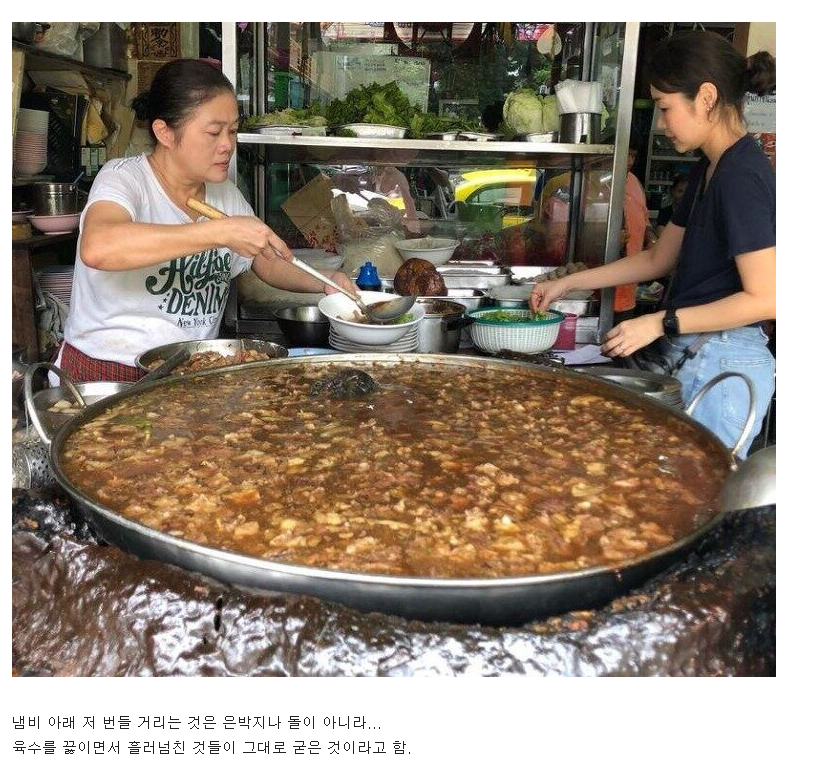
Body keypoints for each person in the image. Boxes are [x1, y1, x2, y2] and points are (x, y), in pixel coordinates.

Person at [530, 32, 776, 458]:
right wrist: (569, 284)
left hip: (724, 365)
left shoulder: (741, 177)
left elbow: (769, 299)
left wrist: (659, 322)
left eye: (666, 108)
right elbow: (659, 258)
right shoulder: (709, 168)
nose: (661, 125)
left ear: (707, 97)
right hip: (700, 353)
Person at [58, 58, 356, 383]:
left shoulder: (223, 194)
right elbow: (99, 247)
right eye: (213, 132)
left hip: (189, 370)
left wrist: (325, 281)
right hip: (109, 373)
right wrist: (219, 232)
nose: (227, 145)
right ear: (165, 133)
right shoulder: (124, 179)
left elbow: (265, 261)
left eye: (233, 131)